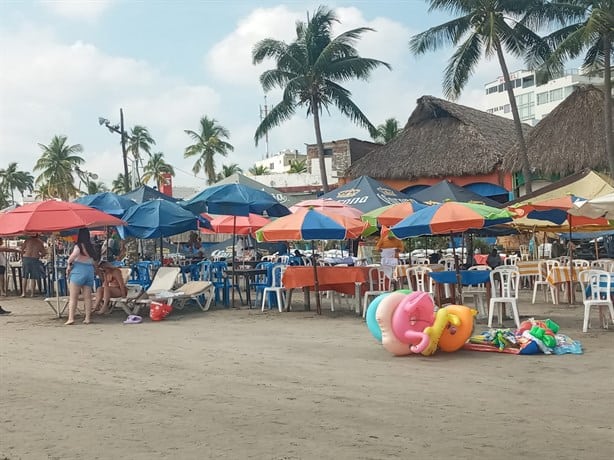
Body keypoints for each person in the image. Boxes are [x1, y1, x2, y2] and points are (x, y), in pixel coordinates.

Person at [65, 228, 99, 325]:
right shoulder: (90, 247)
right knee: (88, 297)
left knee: (73, 297)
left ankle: (71, 318)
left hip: (78, 271)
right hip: (89, 271)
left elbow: (73, 256)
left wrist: (68, 262)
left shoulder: (78, 246)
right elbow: (94, 261)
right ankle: (87, 318)